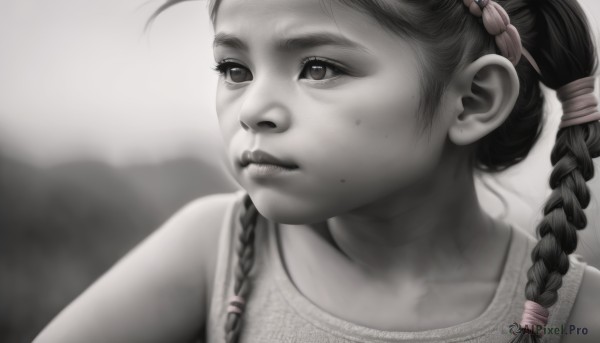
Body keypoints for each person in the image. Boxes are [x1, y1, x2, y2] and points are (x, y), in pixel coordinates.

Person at [33, 0, 600, 342]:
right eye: (234, 68)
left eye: (319, 67)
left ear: (473, 99)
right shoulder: (214, 250)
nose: (254, 109)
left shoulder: (575, 312)